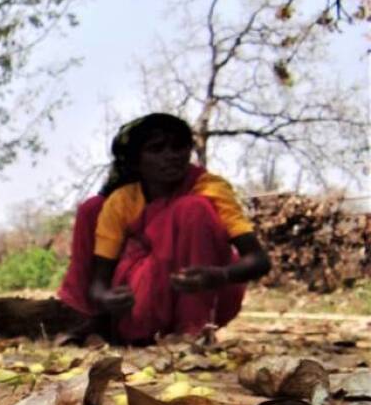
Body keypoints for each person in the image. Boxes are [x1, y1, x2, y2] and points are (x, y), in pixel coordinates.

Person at [56, 113, 271, 344]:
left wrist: (220, 275)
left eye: (179, 147)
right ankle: (96, 322)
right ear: (137, 161)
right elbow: (100, 280)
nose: (171, 156)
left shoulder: (210, 189)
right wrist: (105, 298)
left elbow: (259, 259)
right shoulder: (122, 201)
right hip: (139, 300)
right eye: (157, 149)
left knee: (193, 208)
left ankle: (193, 331)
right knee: (92, 209)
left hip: (210, 293)